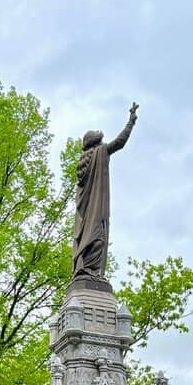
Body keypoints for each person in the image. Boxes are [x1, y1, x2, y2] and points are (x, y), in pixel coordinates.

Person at [72, 103, 138, 282]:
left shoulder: (85, 163)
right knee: (98, 238)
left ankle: (87, 269)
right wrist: (131, 122)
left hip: (87, 216)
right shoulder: (100, 153)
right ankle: (90, 271)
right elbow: (119, 142)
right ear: (97, 143)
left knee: (94, 237)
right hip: (95, 213)